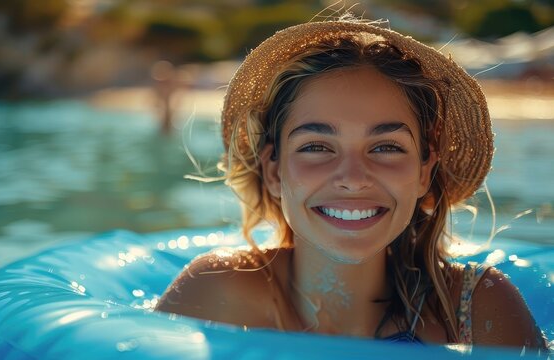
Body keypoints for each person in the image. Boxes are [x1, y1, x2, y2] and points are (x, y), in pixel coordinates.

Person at [155, 16, 549, 351]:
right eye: (316, 146)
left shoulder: (478, 311)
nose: (353, 178)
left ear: (424, 171)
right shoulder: (215, 296)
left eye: (385, 147)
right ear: (274, 172)